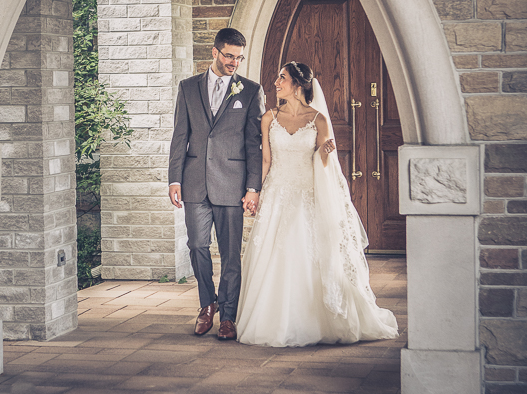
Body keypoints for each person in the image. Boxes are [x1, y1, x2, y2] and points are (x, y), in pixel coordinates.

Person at [235, 61, 398, 347]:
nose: (276, 83)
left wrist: (324, 152)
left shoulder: (318, 119)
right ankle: (272, 320)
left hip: (305, 195)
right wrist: (255, 192)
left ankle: (313, 319)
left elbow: (324, 164)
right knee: (272, 256)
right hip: (276, 193)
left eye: (282, 78)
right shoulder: (269, 118)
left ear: (297, 85)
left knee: (304, 252)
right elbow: (266, 160)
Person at [168, 28, 263, 340]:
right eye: (229, 55)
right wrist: (175, 178)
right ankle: (207, 304)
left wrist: (253, 186)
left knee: (231, 253)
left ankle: (229, 315)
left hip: (232, 184)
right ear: (215, 52)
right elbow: (179, 136)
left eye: (238, 57)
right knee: (196, 245)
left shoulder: (249, 91)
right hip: (195, 182)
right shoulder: (187, 88)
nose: (234, 62)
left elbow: (254, 144)